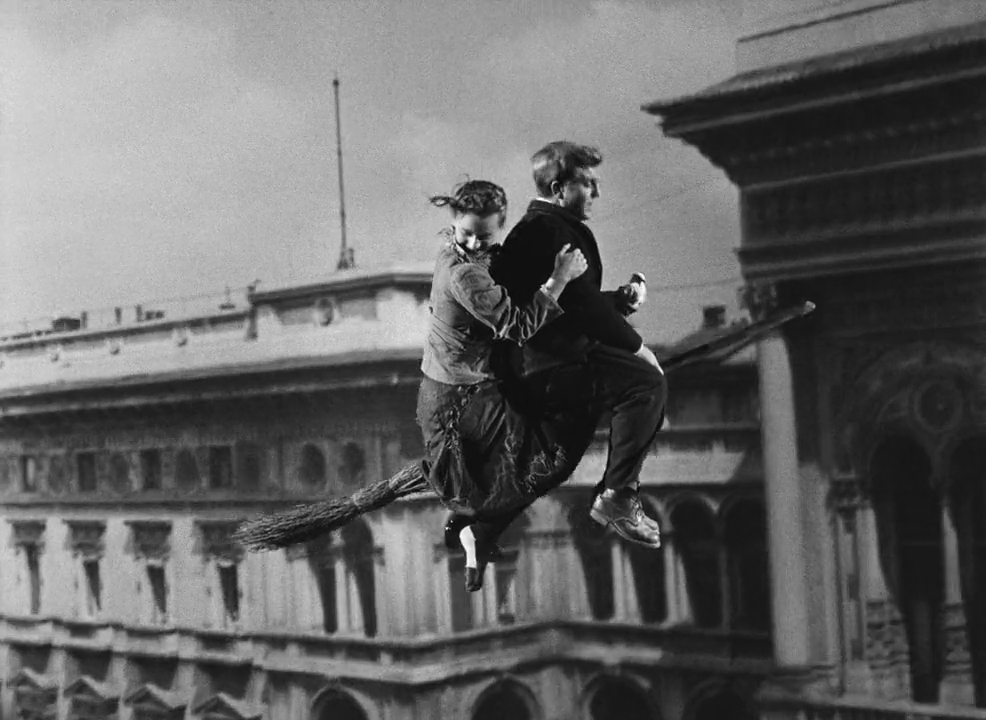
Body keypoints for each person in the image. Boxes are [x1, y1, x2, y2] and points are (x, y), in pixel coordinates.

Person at [487, 141, 666, 548]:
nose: (596, 193)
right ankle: (618, 497)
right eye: (587, 184)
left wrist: (617, 302)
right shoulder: (549, 230)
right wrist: (640, 349)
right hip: (549, 366)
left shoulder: (541, 226)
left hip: (548, 359)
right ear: (558, 189)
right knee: (647, 382)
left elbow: (570, 304)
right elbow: (581, 307)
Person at [415, 179, 590, 591]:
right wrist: (560, 277)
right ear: (454, 222)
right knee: (552, 457)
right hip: (458, 399)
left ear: (499, 230)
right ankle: (476, 530)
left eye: (485, 237)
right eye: (467, 233)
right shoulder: (464, 275)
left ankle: (479, 530)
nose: (475, 244)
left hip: (454, 386)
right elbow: (519, 325)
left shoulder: (455, 252)